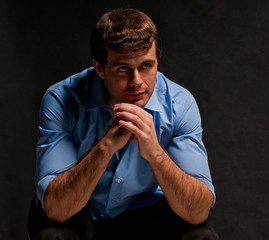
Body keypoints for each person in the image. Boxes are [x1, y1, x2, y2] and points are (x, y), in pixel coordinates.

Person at [27, 8, 218, 240]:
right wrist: (106, 146)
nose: (137, 82)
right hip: (78, 211)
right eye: (123, 69)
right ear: (99, 68)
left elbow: (198, 212)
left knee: (201, 235)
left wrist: (156, 154)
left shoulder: (180, 104)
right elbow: (57, 209)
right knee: (53, 235)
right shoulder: (61, 99)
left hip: (143, 213)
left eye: (146, 66)